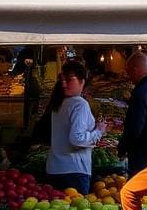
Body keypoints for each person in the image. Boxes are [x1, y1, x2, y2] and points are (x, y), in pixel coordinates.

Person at [44, 61, 104, 194]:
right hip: (74, 171)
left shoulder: (59, 103)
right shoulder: (79, 104)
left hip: (54, 169)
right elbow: (77, 139)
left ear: (82, 81)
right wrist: (98, 131)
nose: (64, 84)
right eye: (63, 80)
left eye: (69, 80)